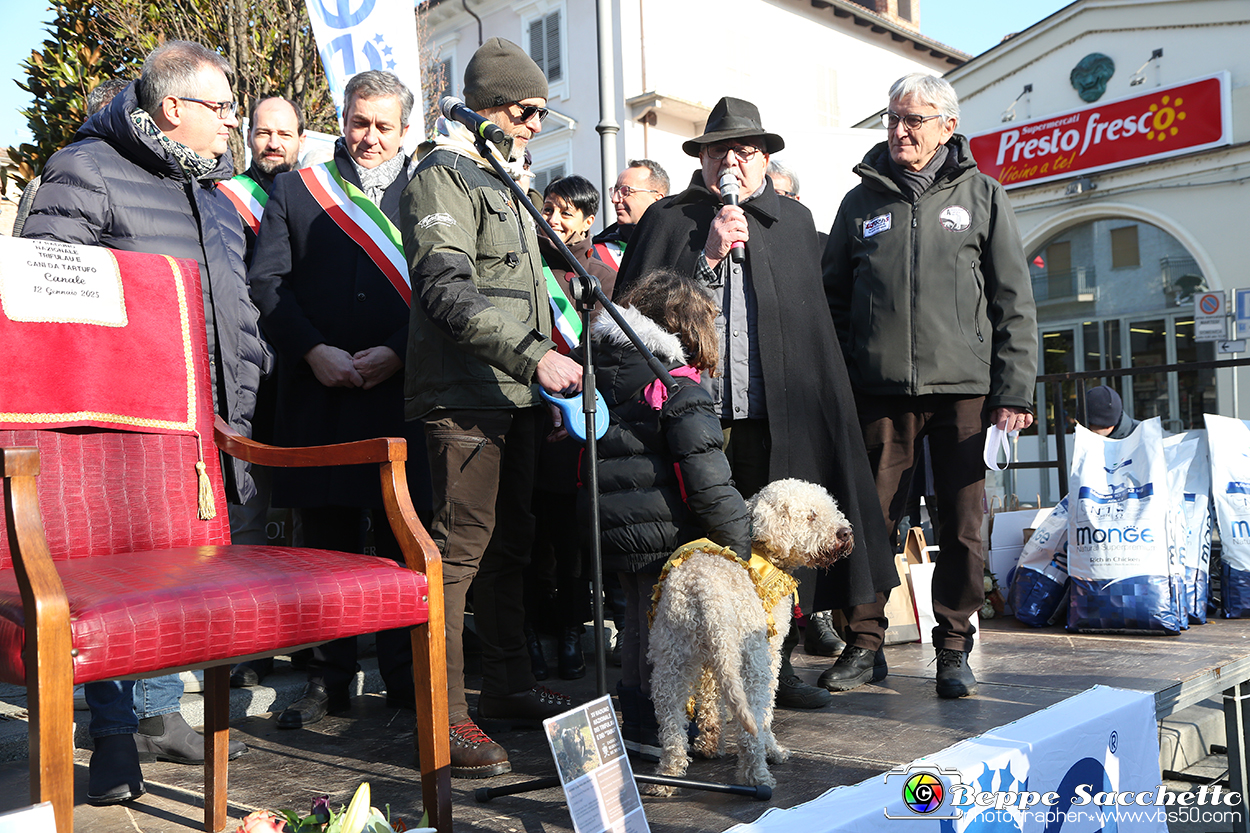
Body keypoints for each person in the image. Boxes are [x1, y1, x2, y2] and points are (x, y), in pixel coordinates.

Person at [21, 39, 263, 805]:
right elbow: (45, 294)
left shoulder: (219, 194)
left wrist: (249, 369)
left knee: (185, 571)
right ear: (172, 109)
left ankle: (160, 713)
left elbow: (239, 306)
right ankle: (116, 731)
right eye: (220, 109)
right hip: (131, 425)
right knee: (123, 572)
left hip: (217, 419)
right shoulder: (85, 170)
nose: (234, 125)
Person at [615, 96, 897, 712]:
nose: (733, 163)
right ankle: (687, 684)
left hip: (776, 420)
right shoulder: (669, 219)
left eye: (746, 151)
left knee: (776, 551)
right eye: (720, 151)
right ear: (704, 158)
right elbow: (634, 314)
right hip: (692, 420)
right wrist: (707, 255)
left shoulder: (793, 224)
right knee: (699, 548)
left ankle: (776, 667)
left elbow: (817, 328)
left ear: (766, 159)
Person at [822, 73, 1038, 699]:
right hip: (879, 393)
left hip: (964, 392)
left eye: (914, 119)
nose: (900, 130)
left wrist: (1014, 390)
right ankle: (864, 644)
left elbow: (1012, 302)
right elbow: (833, 298)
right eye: (892, 118)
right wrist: (844, 373)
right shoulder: (859, 203)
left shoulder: (984, 196)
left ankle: (952, 647)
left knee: (965, 522)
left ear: (948, 125)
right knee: (867, 520)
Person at [401, 37, 582, 779]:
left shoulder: (504, 180)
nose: (536, 123)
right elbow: (446, 290)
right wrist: (534, 355)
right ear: (486, 108)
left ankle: (506, 685)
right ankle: (443, 719)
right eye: (525, 110)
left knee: (511, 547)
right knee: (457, 557)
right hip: (467, 400)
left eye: (539, 111)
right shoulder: (444, 175)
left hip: (514, 397)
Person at [248, 70, 430, 729]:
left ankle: (407, 682)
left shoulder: (428, 194)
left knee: (397, 545)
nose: (370, 137)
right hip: (319, 397)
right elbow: (267, 286)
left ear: (405, 129)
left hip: (397, 397)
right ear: (342, 118)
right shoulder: (299, 191)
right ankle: (330, 680)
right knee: (325, 551)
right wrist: (312, 350)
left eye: (384, 126)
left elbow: (444, 292)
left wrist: (399, 349)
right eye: (359, 122)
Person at [586, 268, 751, 761]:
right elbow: (708, 479)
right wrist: (738, 543)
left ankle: (637, 728)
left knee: (636, 624)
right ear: (687, 327)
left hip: (610, 525)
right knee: (663, 637)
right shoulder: (674, 384)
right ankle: (662, 730)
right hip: (663, 528)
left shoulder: (604, 366)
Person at [222, 94, 306, 687]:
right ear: (247, 139)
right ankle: (248, 644)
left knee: (304, 515)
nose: (273, 143)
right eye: (262, 133)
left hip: (303, 376)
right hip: (246, 376)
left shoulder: (317, 202)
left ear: (302, 139)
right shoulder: (226, 201)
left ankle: (307, 638)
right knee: (248, 511)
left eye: (284, 133)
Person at [529, 173, 618, 680]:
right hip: (530, 413)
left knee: (572, 540)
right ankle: (534, 634)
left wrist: (582, 407)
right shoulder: (527, 265)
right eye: (550, 208)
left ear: (588, 221)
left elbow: (607, 355)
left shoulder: (602, 279)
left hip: (579, 424)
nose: (555, 219)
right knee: (530, 537)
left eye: (568, 212)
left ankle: (568, 630)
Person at [12, 77, 130, 238]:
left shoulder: (166, 179)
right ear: (88, 123)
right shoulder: (44, 184)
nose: (119, 127)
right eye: (108, 118)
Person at [592, 158, 668, 269]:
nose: (615, 199)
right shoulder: (597, 253)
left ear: (657, 199)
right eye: (615, 191)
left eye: (625, 191)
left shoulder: (679, 246)